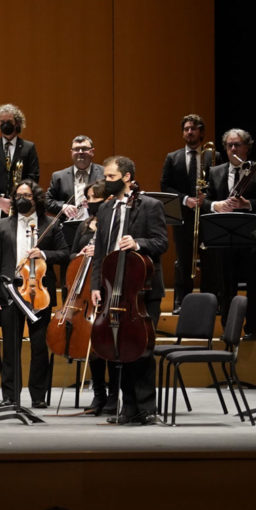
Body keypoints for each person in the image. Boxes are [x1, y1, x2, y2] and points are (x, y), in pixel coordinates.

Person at [91, 156, 167, 426]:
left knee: (142, 349)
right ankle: (128, 407)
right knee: (118, 349)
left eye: (110, 177)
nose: (105, 181)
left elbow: (161, 242)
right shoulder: (105, 209)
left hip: (142, 292)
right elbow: (101, 251)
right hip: (113, 290)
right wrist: (95, 286)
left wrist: (138, 243)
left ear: (126, 177)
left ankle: (147, 408)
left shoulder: (150, 206)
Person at [0, 180, 68, 408]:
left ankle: (38, 396)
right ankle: (10, 396)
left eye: (28, 195)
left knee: (39, 346)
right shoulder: (2, 225)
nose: (23, 199)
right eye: (19, 195)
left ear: (37, 199)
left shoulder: (51, 224)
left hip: (39, 291)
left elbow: (64, 254)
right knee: (10, 346)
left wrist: (43, 253)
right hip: (10, 290)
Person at [205, 127, 256, 339]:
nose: (233, 148)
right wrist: (217, 206)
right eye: (229, 145)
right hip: (225, 238)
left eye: (237, 145)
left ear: (247, 147)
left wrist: (248, 204)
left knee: (254, 286)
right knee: (226, 287)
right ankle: (228, 328)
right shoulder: (215, 172)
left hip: (252, 239)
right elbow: (207, 201)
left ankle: (252, 329)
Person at [69, 181, 119, 416]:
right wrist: (80, 253)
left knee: (110, 345)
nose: (88, 204)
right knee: (95, 347)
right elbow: (70, 253)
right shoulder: (84, 226)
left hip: (109, 288)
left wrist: (99, 253)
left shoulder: (113, 224)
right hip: (86, 292)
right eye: (87, 199)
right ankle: (98, 394)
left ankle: (113, 395)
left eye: (93, 199)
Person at [160, 114, 215, 312]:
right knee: (183, 261)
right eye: (186, 129)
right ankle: (181, 303)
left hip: (207, 216)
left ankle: (210, 303)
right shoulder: (172, 157)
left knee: (209, 261)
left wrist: (205, 199)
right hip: (183, 216)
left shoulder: (212, 155)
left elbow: (219, 184)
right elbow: (165, 185)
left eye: (193, 128)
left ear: (201, 131)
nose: (189, 132)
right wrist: (186, 199)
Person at [46, 134, 105, 264]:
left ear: (92, 151)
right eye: (76, 149)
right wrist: (62, 206)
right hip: (67, 229)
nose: (80, 153)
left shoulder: (104, 173)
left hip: (94, 227)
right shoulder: (58, 176)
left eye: (84, 149)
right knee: (68, 264)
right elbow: (47, 201)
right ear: (71, 152)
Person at [0, 103, 41, 218]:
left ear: (17, 123)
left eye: (9, 121)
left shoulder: (28, 147)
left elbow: (34, 175)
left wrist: (20, 197)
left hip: (22, 203)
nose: (5, 125)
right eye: (2, 122)